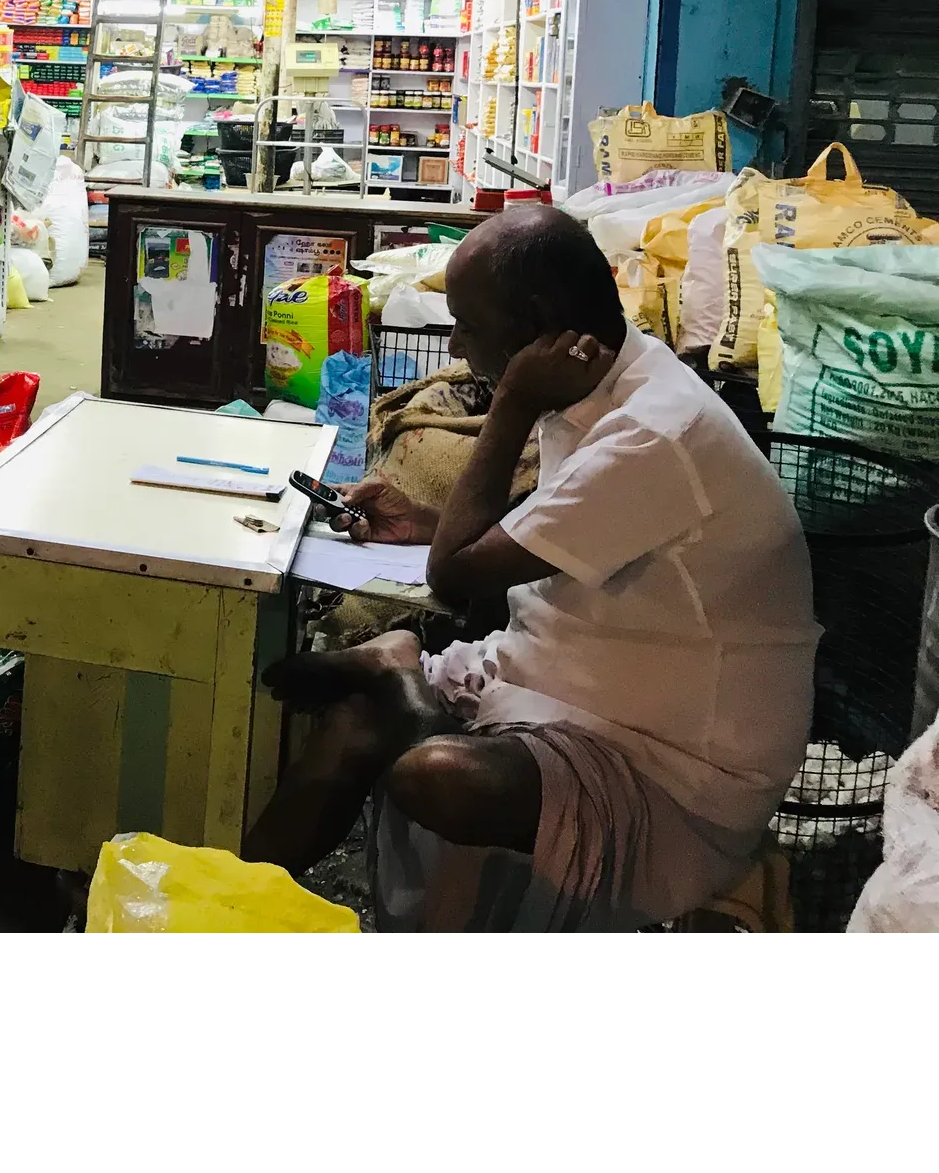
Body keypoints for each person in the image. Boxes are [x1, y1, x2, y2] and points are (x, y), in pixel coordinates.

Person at [243, 204, 819, 932]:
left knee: (436, 778)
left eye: (470, 326)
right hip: (559, 689)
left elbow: (454, 581)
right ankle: (224, 912)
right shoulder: (610, 384)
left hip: (673, 773)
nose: (456, 342)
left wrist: (512, 403)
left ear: (539, 322)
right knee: (359, 725)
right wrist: (423, 525)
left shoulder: (652, 433)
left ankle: (401, 672)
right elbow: (553, 538)